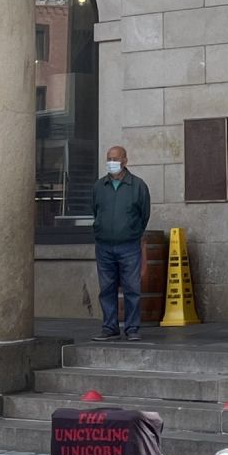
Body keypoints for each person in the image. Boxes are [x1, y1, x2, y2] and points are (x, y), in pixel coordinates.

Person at [92, 145, 151, 342]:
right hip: (104, 246)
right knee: (106, 288)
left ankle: (132, 328)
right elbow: (95, 210)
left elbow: (144, 214)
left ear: (125, 160)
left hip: (129, 245)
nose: (112, 162)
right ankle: (109, 327)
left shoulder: (138, 186)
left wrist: (132, 232)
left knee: (131, 288)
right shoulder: (99, 186)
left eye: (116, 158)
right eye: (109, 158)